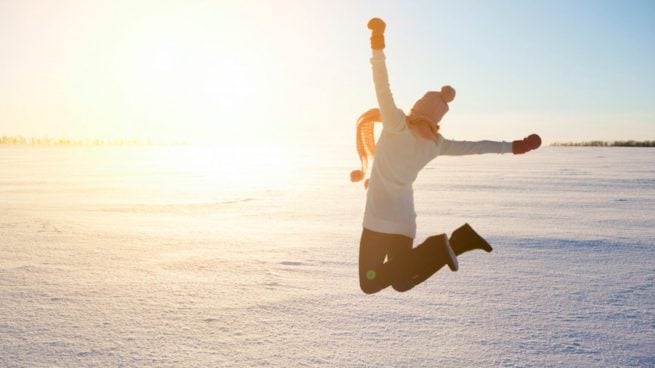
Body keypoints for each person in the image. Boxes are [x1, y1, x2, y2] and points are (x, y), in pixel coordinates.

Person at [352, 18, 541, 294]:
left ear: (417, 108)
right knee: (402, 280)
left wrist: (377, 42)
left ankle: (436, 247)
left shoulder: (396, 124)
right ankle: (456, 243)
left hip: (377, 220)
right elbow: (476, 146)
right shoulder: (436, 144)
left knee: (370, 283)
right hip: (404, 223)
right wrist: (514, 146)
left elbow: (382, 85)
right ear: (437, 120)